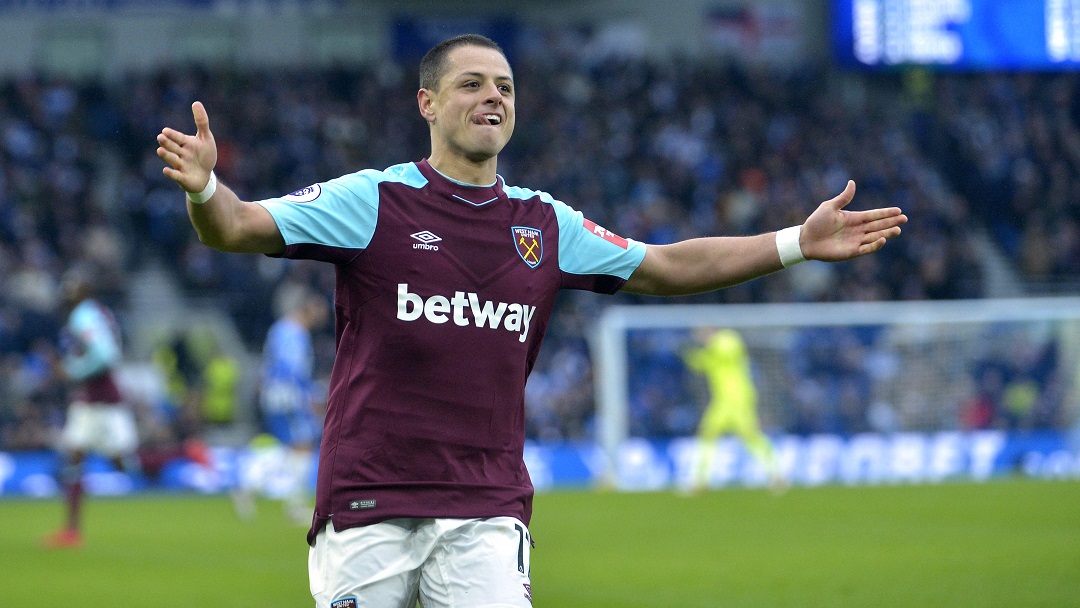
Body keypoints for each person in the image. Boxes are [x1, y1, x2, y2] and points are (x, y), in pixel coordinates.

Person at [156, 33, 906, 608]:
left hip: (486, 508)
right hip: (370, 500)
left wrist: (794, 244)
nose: (494, 97)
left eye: (506, 88)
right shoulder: (374, 201)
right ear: (427, 104)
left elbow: (665, 266)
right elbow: (238, 227)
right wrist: (205, 188)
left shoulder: (543, 223)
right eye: (472, 84)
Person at [43, 268, 138, 548]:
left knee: (120, 462)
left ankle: (184, 453)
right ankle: (71, 530)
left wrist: (72, 370)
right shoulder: (99, 312)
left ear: (85, 290)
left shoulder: (83, 315)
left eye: (72, 286)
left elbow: (105, 354)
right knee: (86, 455)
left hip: (98, 396)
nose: (67, 292)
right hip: (98, 396)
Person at [232, 289, 329, 524]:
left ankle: (252, 488)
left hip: (275, 394)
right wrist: (311, 396)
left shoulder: (281, 329)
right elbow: (291, 369)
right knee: (302, 445)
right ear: (308, 308)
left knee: (293, 447)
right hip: (287, 396)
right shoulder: (293, 333)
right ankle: (289, 504)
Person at [681, 328, 785, 494]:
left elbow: (731, 351)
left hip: (738, 398)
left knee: (750, 436)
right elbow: (700, 364)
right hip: (723, 401)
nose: (700, 338)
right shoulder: (711, 352)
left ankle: (776, 472)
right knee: (708, 433)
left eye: (701, 333)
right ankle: (700, 480)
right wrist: (688, 354)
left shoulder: (727, 338)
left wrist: (708, 349)